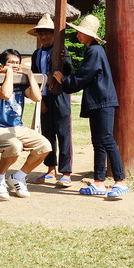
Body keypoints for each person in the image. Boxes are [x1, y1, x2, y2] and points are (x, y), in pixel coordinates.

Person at [52, 14, 129, 200]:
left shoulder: (95, 51)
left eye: (81, 32)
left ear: (90, 35)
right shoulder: (93, 51)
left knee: (107, 139)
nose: (78, 35)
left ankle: (120, 181)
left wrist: (64, 80)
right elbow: (84, 73)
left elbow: (84, 75)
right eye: (78, 32)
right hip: (98, 102)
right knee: (98, 142)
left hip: (103, 101)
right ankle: (99, 182)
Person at [0, 48, 52, 199]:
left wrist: (29, 74)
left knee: (45, 146)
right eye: (11, 62)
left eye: (17, 63)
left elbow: (37, 97)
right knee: (15, 146)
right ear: (3, 64)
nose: (15, 65)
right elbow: (5, 94)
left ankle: (18, 177)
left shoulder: (21, 84)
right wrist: (9, 72)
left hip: (18, 127)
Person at [26, 14, 74, 187]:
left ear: (54, 34)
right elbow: (34, 79)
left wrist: (64, 59)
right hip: (44, 98)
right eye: (41, 34)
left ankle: (66, 172)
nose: (44, 37)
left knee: (63, 134)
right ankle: (50, 169)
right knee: (47, 134)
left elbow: (69, 72)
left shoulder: (62, 51)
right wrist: (40, 102)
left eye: (47, 33)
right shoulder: (36, 54)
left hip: (60, 97)